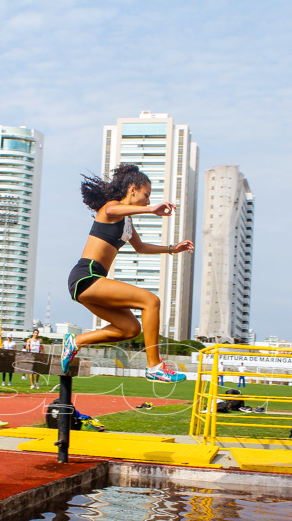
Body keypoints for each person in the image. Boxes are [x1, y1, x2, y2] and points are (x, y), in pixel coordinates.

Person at [61, 164, 193, 382]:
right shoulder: (111, 208)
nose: (148, 201)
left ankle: (75, 342)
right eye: (146, 195)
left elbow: (140, 248)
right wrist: (151, 210)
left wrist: (172, 248)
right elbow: (112, 210)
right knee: (151, 301)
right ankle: (154, 366)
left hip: (94, 281)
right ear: (133, 189)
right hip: (87, 276)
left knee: (130, 328)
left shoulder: (127, 222)